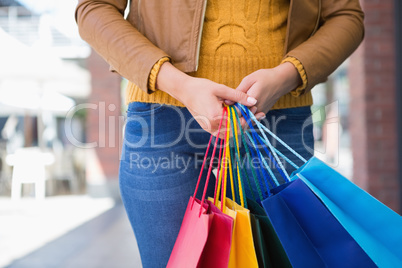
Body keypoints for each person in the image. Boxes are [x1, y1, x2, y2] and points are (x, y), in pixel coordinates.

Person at [75, 0, 364, 267]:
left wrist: (285, 76)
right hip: (162, 118)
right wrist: (180, 85)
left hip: (273, 120)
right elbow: (94, 8)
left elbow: (345, 16)